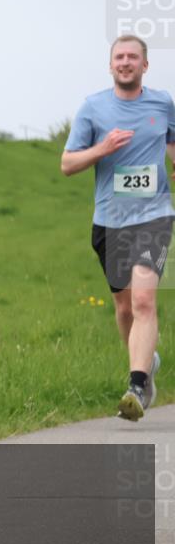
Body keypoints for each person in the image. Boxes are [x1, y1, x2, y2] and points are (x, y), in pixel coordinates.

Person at [61, 34, 175, 421]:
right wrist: (102, 149)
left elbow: (171, 143)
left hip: (155, 216)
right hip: (109, 222)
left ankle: (137, 385)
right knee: (125, 307)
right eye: (119, 57)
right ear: (111, 66)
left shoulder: (162, 103)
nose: (125, 62)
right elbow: (67, 164)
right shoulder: (93, 109)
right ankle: (148, 363)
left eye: (133, 57)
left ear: (145, 65)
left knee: (144, 300)